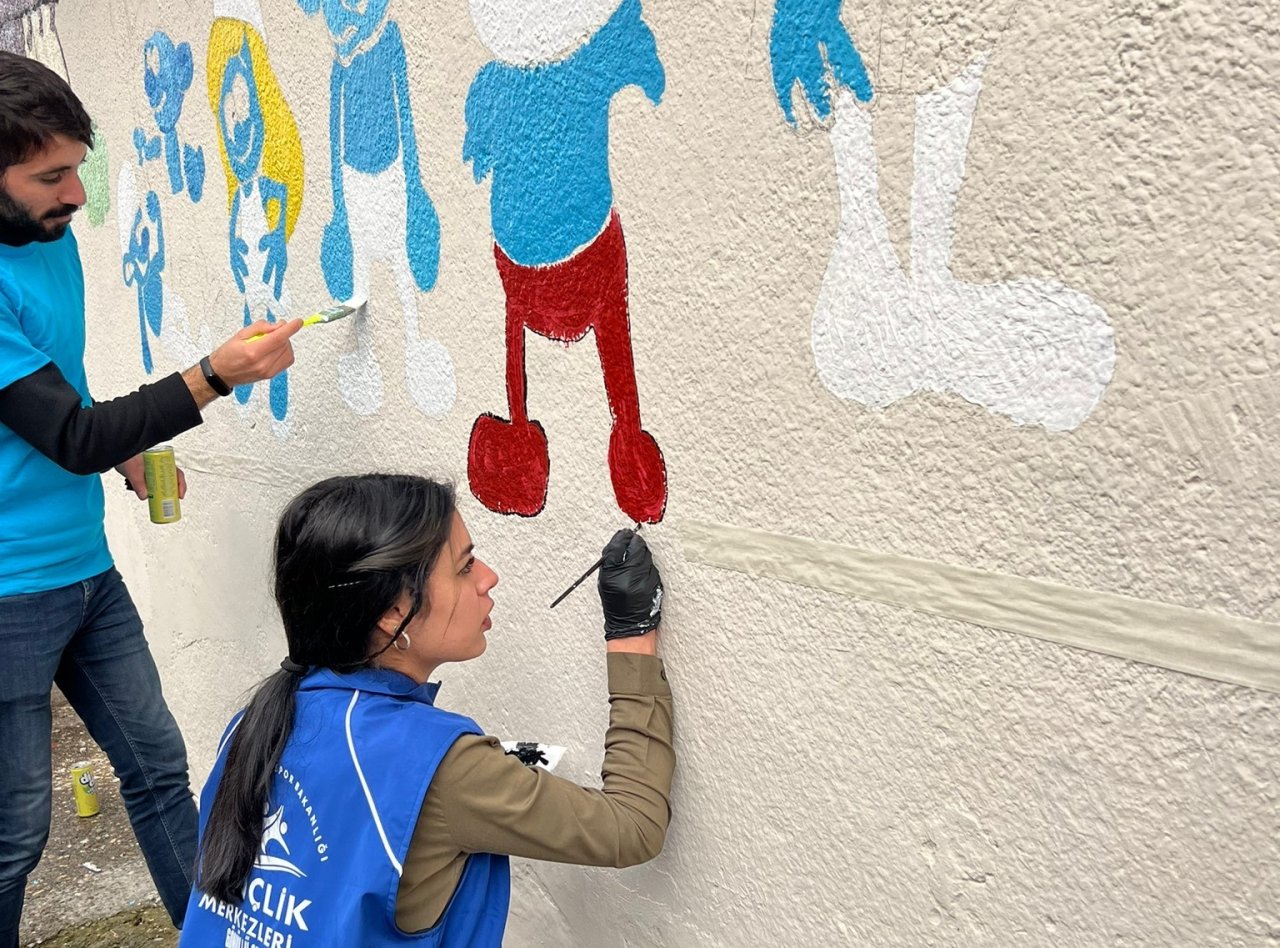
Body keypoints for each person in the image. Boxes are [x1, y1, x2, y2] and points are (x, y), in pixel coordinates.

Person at [0, 51, 303, 946]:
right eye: (49, 176)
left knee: (161, 771)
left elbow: (61, 405)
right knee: (16, 835)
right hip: (9, 596)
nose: (76, 197)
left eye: (78, 168)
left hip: (86, 574)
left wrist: (121, 450)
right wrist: (214, 374)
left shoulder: (48, 245)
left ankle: (212, 936)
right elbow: (69, 434)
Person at [179, 474, 675, 946]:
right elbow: (631, 826)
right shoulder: (446, 768)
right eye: (464, 567)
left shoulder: (252, 724)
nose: (488, 578)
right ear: (394, 611)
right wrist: (631, 635)